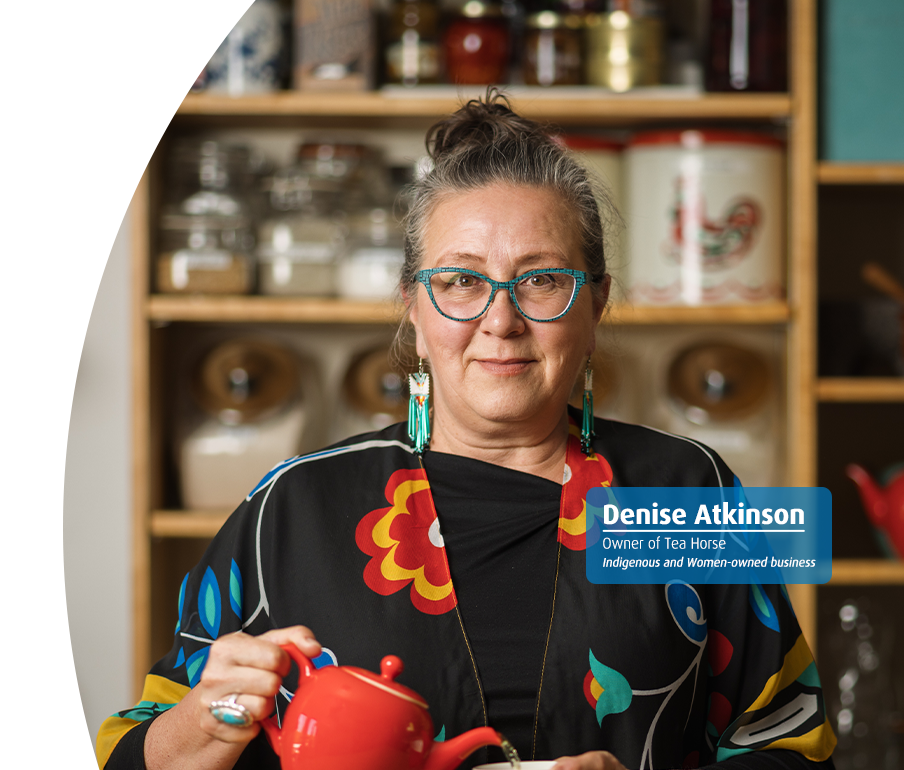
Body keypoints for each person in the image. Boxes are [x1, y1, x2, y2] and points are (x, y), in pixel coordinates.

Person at [96, 93, 836, 770]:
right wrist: (207, 721)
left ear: (597, 304)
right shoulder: (294, 509)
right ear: (414, 310)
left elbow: (795, 742)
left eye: (542, 279)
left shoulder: (687, 491)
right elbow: (130, 749)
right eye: (461, 281)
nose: (501, 321)